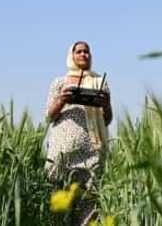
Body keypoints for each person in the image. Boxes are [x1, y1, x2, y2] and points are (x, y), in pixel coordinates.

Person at [44, 41, 112, 224]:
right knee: (59, 207)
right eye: (79, 51)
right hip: (62, 155)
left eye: (87, 52)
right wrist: (61, 100)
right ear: (71, 56)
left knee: (88, 206)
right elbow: (49, 116)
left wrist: (106, 104)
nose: (84, 55)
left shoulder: (100, 83)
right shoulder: (60, 83)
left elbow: (107, 119)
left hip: (91, 154)